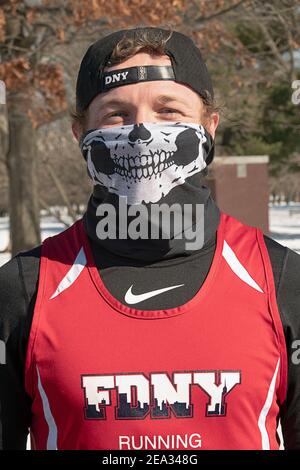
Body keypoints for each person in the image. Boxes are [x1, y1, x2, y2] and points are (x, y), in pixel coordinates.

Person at [0, 26, 300, 451]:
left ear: (209, 127)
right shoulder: (22, 290)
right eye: (116, 115)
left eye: (169, 111)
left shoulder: (282, 281)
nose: (141, 133)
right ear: (79, 133)